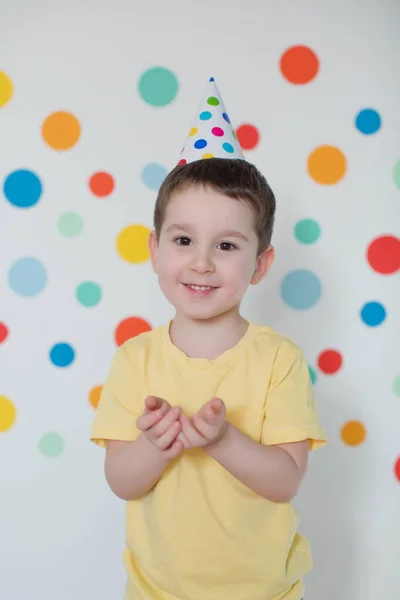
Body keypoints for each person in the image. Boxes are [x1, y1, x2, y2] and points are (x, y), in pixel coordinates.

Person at [90, 78, 327, 600]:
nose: (201, 261)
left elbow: (285, 481)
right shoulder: (135, 359)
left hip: (264, 591)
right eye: (183, 240)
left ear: (260, 264)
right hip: (158, 591)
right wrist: (156, 444)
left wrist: (221, 439)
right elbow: (122, 482)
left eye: (225, 244)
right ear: (155, 250)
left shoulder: (278, 361)